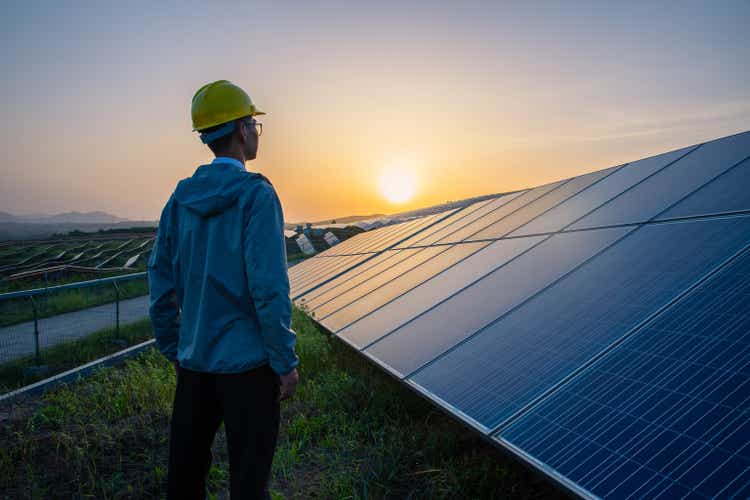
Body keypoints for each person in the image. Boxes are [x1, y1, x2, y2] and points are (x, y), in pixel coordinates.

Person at [148, 79, 299, 500]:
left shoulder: (180, 198)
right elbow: (268, 289)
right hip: (248, 369)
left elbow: (160, 280)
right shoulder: (256, 195)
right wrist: (284, 362)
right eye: (254, 123)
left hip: (194, 365)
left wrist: (174, 348)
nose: (256, 132)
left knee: (184, 481)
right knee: (249, 485)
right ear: (240, 129)